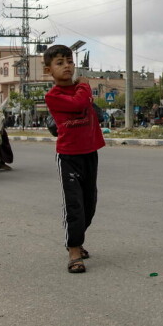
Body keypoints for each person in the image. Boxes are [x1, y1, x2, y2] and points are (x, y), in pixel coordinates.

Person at [43, 44, 105, 274]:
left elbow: (84, 100)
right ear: (49, 70)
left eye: (69, 61)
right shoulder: (53, 96)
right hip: (69, 156)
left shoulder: (83, 88)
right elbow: (79, 103)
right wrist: (85, 88)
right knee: (74, 205)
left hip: (90, 152)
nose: (67, 66)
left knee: (90, 203)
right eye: (60, 63)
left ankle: (78, 238)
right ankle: (74, 250)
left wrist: (85, 89)